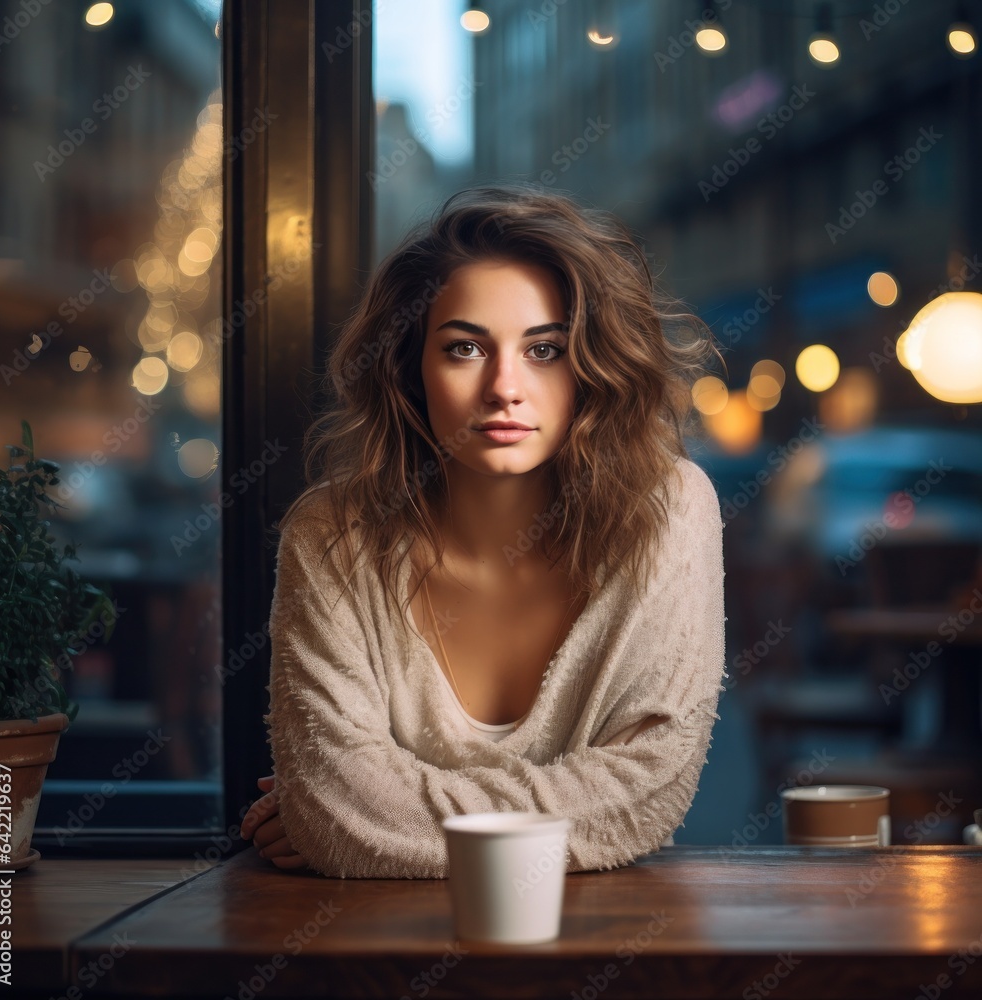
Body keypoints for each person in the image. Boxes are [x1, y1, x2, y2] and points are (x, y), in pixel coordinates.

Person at [239, 183, 727, 878]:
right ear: (410, 371)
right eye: (465, 349)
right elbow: (336, 805)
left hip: (611, 945)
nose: (504, 386)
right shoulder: (330, 533)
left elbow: (646, 796)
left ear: (591, 368)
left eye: (545, 350)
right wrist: (338, 815)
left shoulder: (669, 512)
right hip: (377, 953)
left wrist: (363, 825)